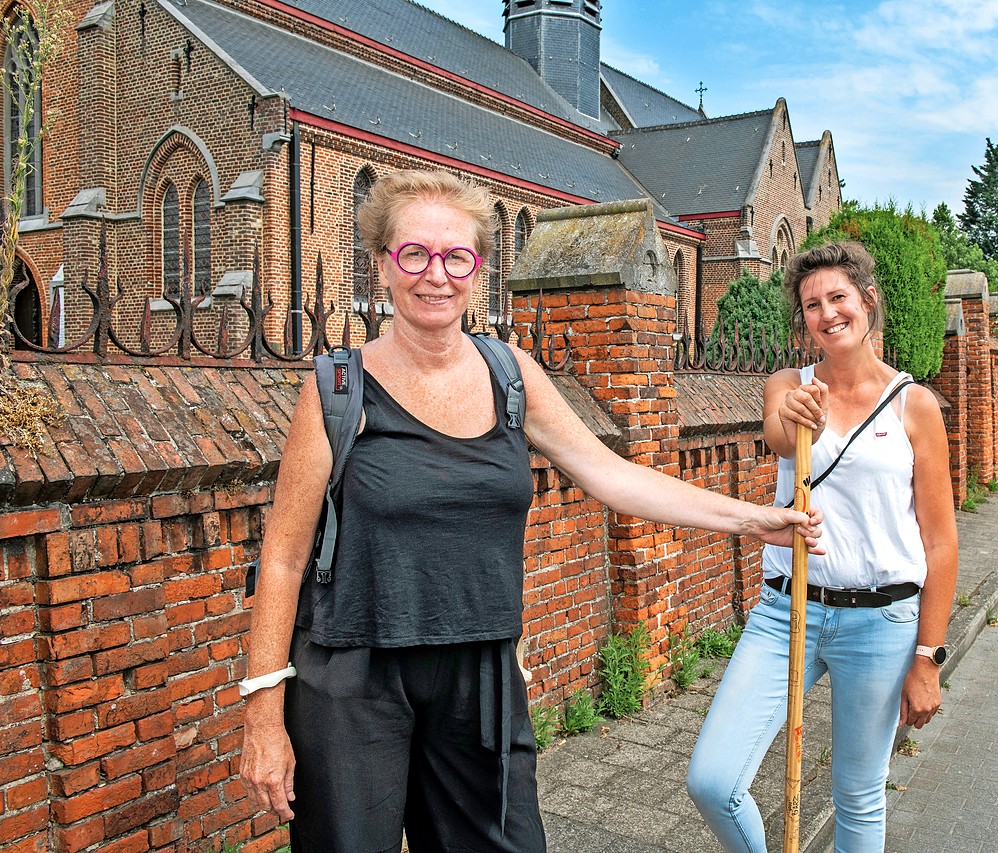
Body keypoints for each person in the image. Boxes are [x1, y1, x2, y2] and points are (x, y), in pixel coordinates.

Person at [237, 169, 823, 853]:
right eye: (415, 254)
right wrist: (263, 713)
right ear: (382, 266)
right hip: (352, 676)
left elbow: (613, 474)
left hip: (479, 674)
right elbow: (280, 557)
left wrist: (752, 518)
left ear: (480, 269)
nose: (436, 275)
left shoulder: (508, 374)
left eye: (457, 256)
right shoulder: (338, 389)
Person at [686, 240, 958, 852]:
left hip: (883, 621)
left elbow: (940, 542)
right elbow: (781, 441)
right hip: (787, 612)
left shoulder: (915, 406)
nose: (826, 313)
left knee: (859, 798)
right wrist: (797, 413)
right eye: (811, 305)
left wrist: (928, 658)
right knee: (712, 779)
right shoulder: (788, 384)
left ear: (867, 302)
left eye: (837, 297)